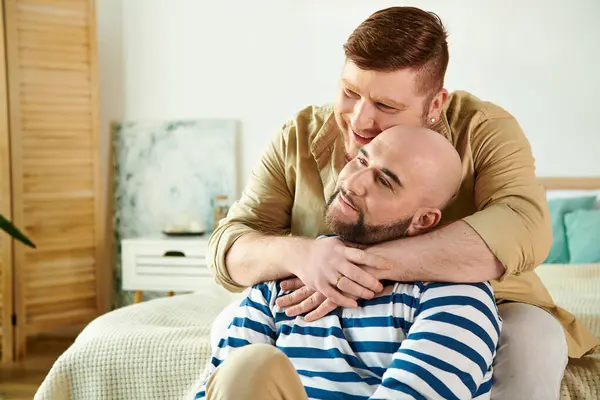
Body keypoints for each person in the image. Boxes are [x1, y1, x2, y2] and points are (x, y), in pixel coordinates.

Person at [207, 6, 598, 400]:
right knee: (228, 325)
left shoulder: (485, 128)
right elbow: (230, 245)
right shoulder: (297, 135)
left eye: (387, 107)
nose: (359, 121)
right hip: (328, 301)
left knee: (534, 336)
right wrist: (305, 256)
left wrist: (356, 267)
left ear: (435, 105)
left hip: (483, 300)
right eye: (350, 93)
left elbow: (523, 225)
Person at [196, 126, 502, 400]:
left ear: (423, 220)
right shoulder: (284, 280)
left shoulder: (458, 298)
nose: (354, 183)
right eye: (361, 160)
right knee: (249, 368)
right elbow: (216, 389)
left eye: (384, 181)